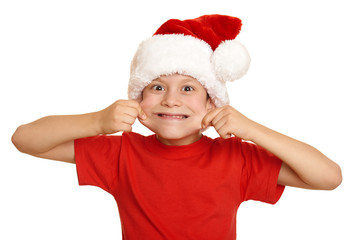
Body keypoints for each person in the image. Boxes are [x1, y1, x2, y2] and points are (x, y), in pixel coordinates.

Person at [11, 15, 342, 240]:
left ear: (212, 103)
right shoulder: (121, 152)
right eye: (156, 87)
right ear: (138, 100)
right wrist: (96, 122)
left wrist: (252, 129)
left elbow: (329, 177)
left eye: (188, 88)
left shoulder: (236, 157)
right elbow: (24, 139)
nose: (171, 100)